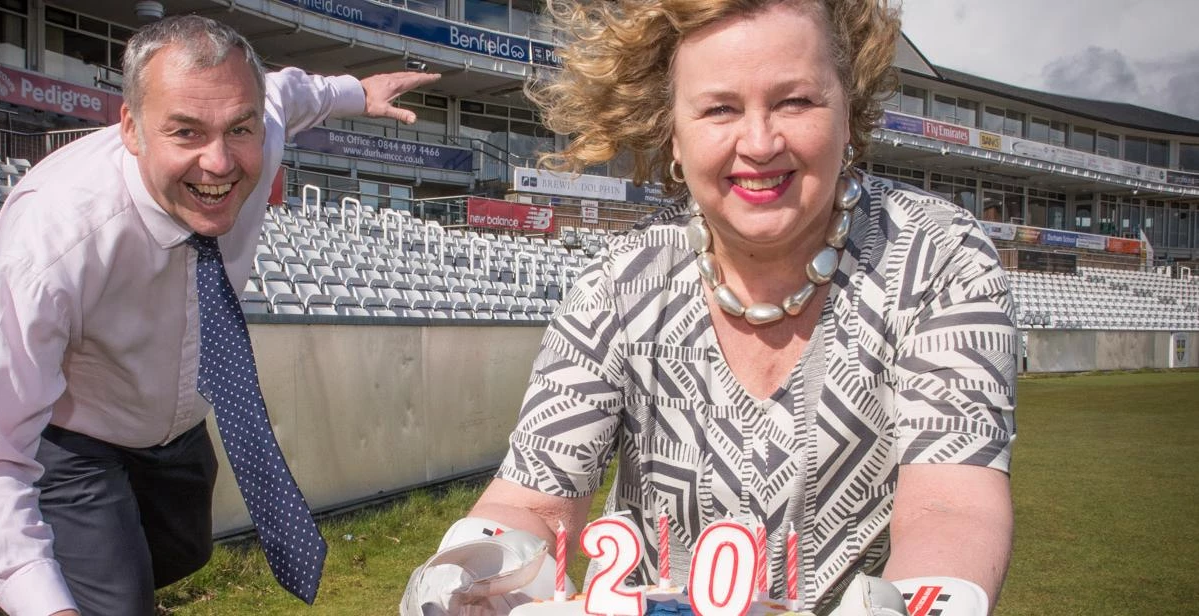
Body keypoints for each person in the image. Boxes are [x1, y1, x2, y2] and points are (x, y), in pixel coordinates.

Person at [403, 0, 1015, 614]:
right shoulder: (617, 285)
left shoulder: (940, 258)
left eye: (795, 101)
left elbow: (950, 504)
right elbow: (532, 502)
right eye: (720, 108)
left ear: (849, 112)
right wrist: (465, 577)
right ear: (673, 133)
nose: (759, 142)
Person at [0, 15, 439, 616]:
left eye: (239, 129)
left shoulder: (262, 121)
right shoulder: (55, 242)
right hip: (72, 438)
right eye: (185, 132)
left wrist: (359, 94)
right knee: (107, 601)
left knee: (181, 553)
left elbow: (290, 90)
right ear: (131, 128)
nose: (220, 163)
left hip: (175, 430)